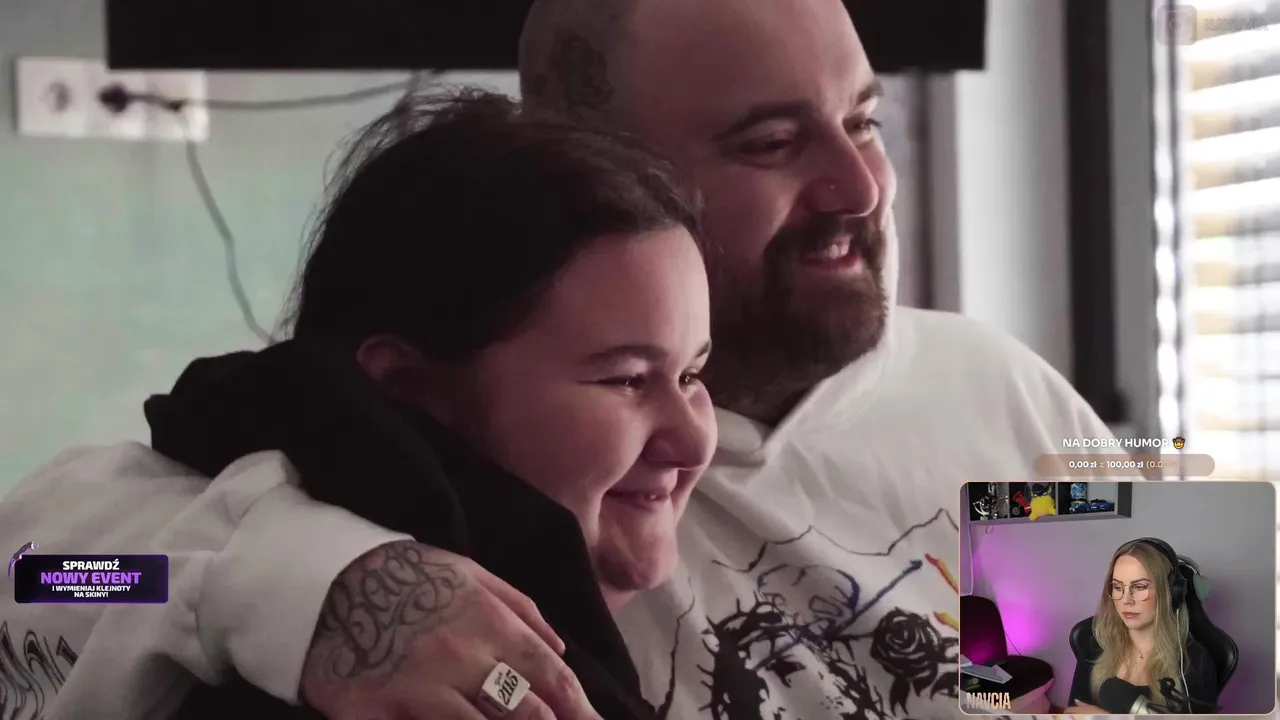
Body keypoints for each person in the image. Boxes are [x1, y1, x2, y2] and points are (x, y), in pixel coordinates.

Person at [0, 1, 1124, 719]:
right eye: (772, 142)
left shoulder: (1001, 390)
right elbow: (32, 577)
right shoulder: (452, 461)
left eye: (865, 121)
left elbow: (1177, 679)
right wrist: (318, 588)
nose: (861, 186)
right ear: (595, 158)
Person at [0, 90, 716, 719]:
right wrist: (301, 588)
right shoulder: (154, 540)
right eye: (627, 380)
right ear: (404, 389)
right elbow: (34, 575)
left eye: (692, 375)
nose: (693, 442)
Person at [1066, 539, 1217, 715]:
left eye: (1140, 587)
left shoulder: (1195, 663)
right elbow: (1073, 714)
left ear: (1170, 592)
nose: (1126, 600)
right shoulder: (1094, 646)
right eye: (1117, 587)